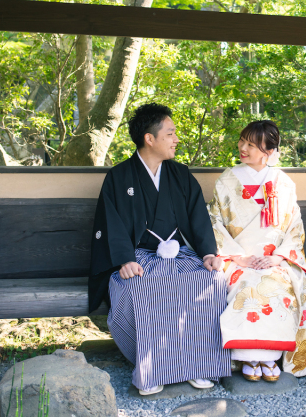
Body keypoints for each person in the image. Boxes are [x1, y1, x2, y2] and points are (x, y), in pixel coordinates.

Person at [88, 103, 232, 395]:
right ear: (149, 138)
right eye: (170, 133)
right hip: (140, 257)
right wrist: (124, 260)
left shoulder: (180, 174)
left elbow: (198, 218)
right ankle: (153, 369)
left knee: (212, 281)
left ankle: (199, 365)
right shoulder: (119, 177)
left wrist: (208, 253)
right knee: (141, 286)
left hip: (181, 255)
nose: (176, 139)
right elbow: (111, 223)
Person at [207, 120, 306, 382]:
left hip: (275, 258)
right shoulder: (227, 179)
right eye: (242, 141)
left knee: (276, 286)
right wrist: (238, 256)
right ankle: (250, 356)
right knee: (246, 286)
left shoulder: (283, 182)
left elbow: (294, 226)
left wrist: (277, 257)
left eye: (252, 145)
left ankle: (266, 356)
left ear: (269, 151)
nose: (243, 148)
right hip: (237, 258)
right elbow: (214, 222)